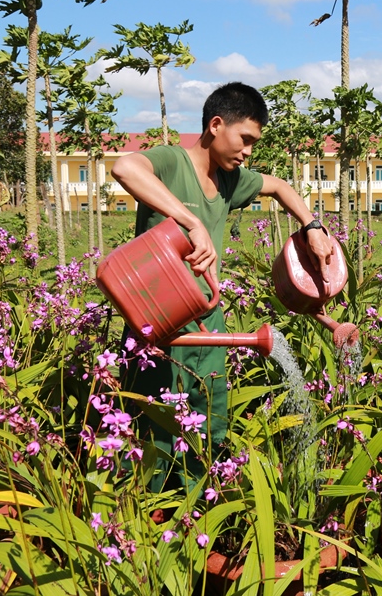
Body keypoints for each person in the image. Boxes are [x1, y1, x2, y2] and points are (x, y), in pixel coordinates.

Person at [111, 82, 334, 489]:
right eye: (245, 139)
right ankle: (140, 522)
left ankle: (196, 509)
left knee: (208, 426)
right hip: (155, 322)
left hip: (207, 324)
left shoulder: (230, 180)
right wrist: (190, 221)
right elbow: (125, 168)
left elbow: (281, 187)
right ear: (216, 125)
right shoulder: (172, 162)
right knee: (148, 430)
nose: (248, 152)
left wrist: (313, 226)